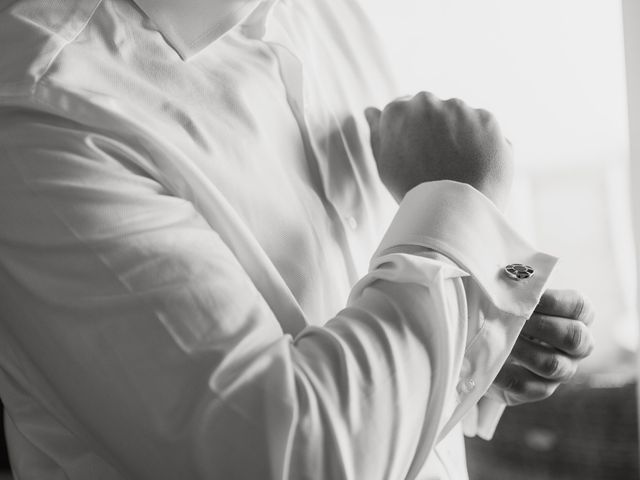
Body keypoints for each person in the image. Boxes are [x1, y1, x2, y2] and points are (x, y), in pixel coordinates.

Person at [0, 0, 594, 478]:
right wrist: (460, 206)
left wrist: (469, 322)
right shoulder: (42, 107)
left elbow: (364, 367)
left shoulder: (329, 15)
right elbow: (304, 458)